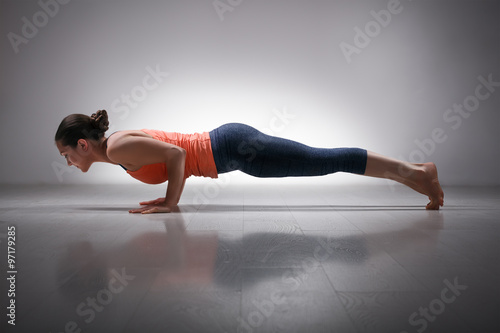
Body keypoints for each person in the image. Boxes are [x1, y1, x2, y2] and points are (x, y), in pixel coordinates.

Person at [54, 110, 444, 214]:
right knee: (320, 161)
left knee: (322, 160)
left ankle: (416, 173)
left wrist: (172, 201)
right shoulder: (120, 149)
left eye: (66, 153)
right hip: (233, 152)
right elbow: (173, 156)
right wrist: (168, 197)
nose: (68, 161)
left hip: (233, 148)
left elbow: (176, 154)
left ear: (84, 145)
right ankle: (413, 174)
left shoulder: (119, 148)